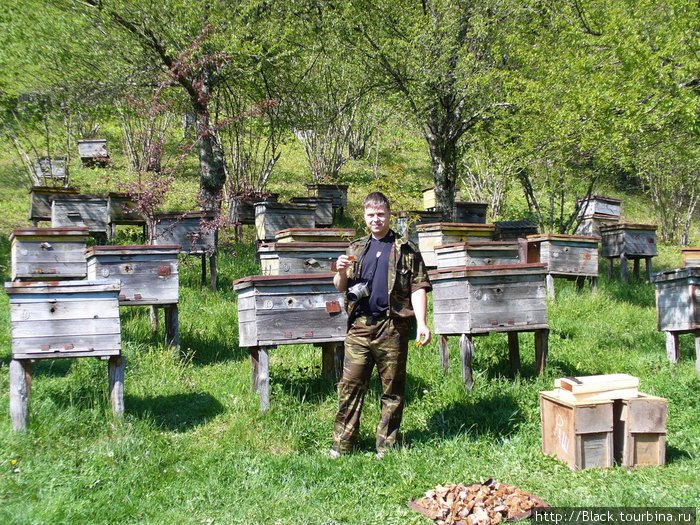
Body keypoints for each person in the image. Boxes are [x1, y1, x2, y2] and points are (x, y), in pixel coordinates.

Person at [330, 191, 432, 458]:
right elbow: (341, 287)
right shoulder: (355, 248)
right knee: (350, 386)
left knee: (392, 392)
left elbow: (418, 287)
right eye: (371, 214)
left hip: (393, 327)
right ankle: (341, 446)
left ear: (389, 215)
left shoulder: (407, 249)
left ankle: (385, 447)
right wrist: (339, 271)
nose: (376, 219)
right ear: (364, 216)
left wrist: (422, 322)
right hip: (360, 327)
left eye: (381, 214)